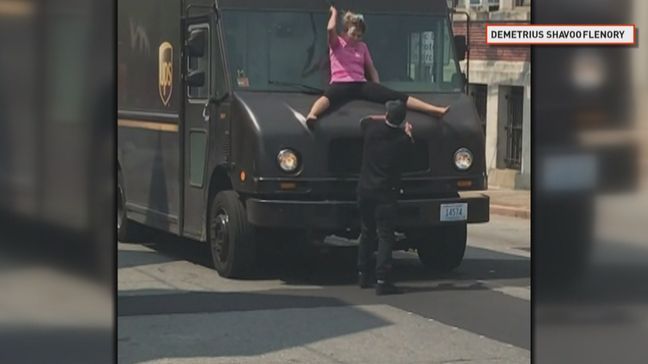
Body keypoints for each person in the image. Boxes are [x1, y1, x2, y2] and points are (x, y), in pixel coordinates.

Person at [305, 4, 449, 128]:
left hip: (360, 84)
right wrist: (334, 13)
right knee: (327, 98)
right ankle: (312, 114)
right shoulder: (336, 45)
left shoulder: (362, 47)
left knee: (397, 96)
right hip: (340, 83)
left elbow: (371, 67)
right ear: (344, 32)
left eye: (359, 35)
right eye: (353, 34)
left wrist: (377, 85)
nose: (356, 38)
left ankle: (434, 110)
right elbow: (330, 29)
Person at [357, 100, 414, 295]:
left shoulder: (371, 130)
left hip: (365, 190)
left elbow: (364, 120)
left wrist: (385, 117)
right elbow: (408, 154)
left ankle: (362, 273)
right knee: (385, 236)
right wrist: (406, 131)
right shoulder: (402, 140)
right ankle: (382, 279)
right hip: (386, 194)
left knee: (366, 231)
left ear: (387, 115)